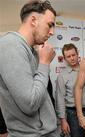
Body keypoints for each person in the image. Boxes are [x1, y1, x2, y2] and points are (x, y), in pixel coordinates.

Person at [0, 0, 59, 136]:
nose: (52, 32)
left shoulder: (30, 50)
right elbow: (30, 103)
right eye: (50, 25)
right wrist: (44, 63)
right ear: (33, 20)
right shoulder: (10, 45)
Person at [55, 43, 85, 137]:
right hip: (73, 114)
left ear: (77, 54)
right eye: (68, 56)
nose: (72, 58)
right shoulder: (62, 76)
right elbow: (60, 99)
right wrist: (63, 120)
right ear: (64, 58)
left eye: (73, 55)